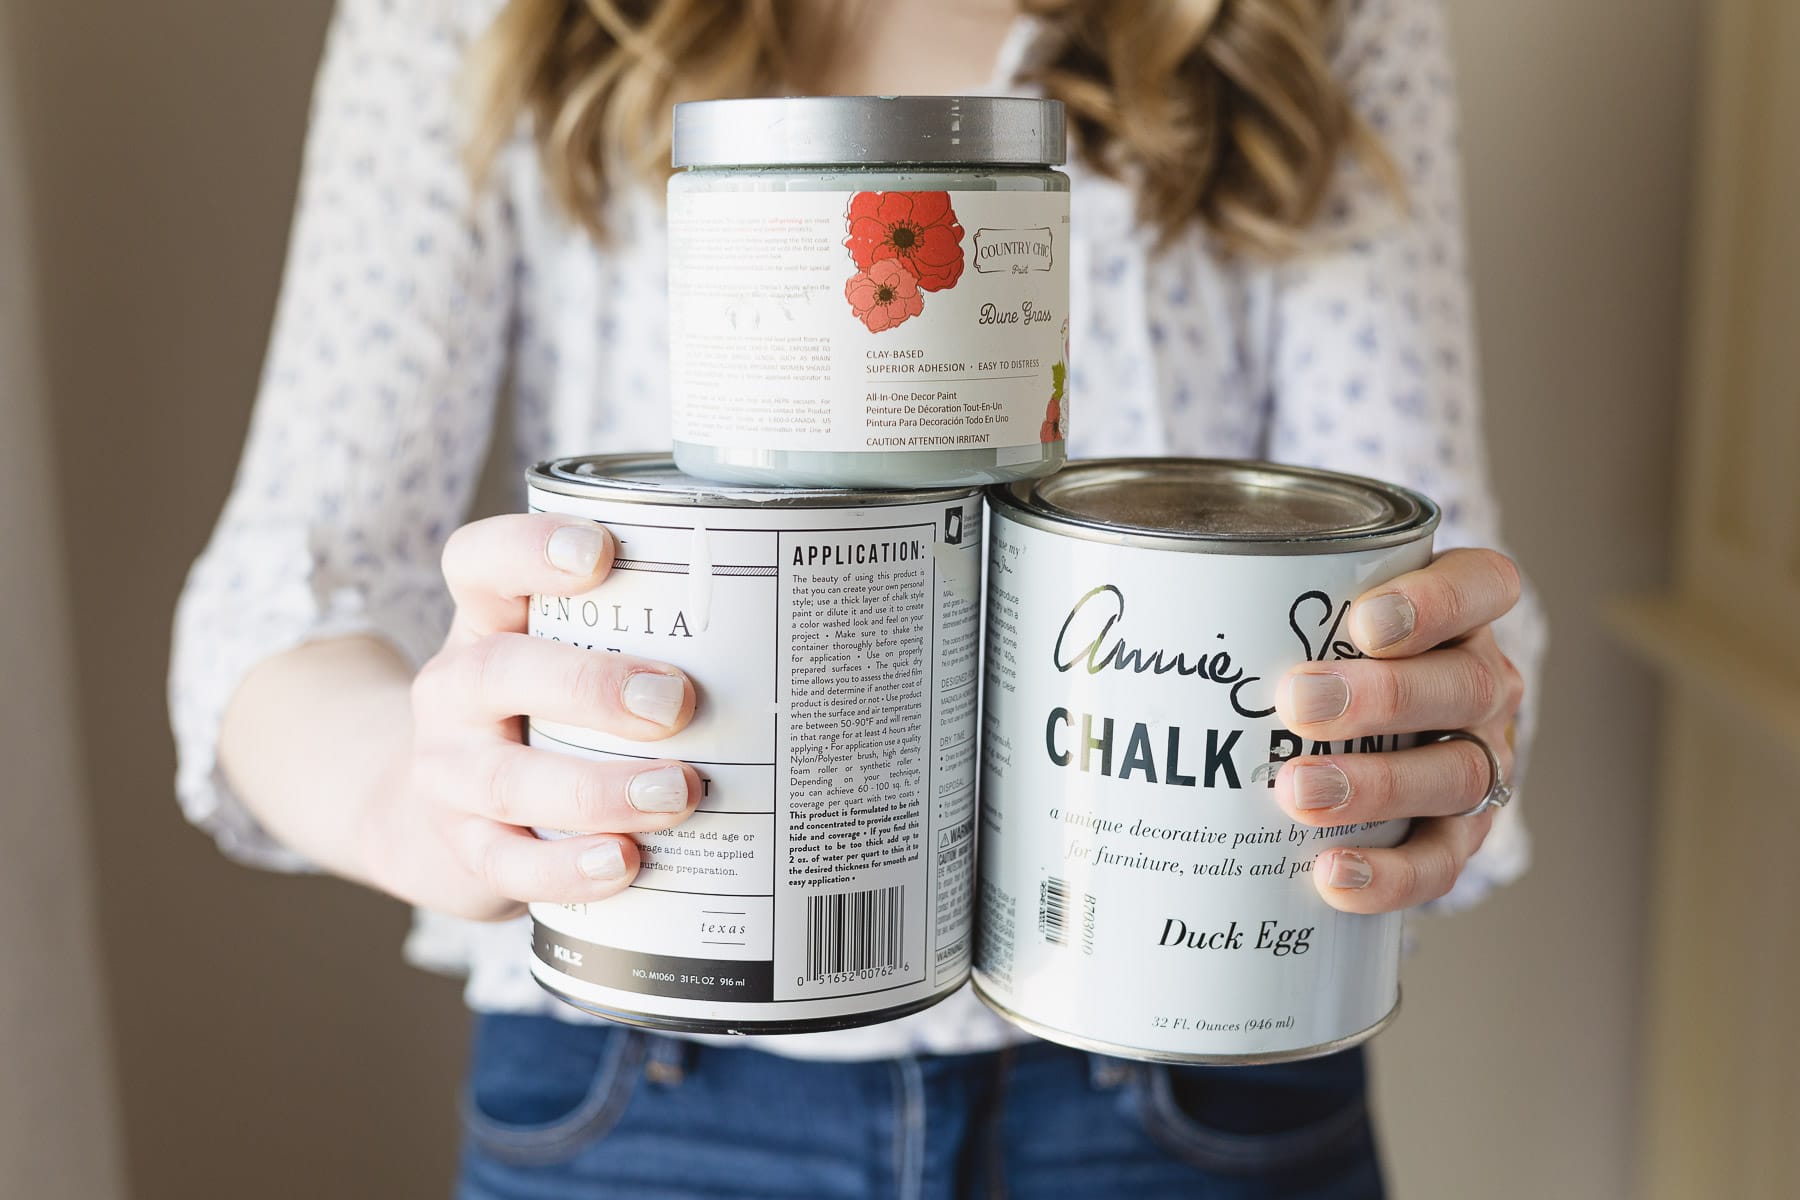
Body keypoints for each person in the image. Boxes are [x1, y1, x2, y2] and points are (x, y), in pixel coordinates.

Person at [169, 0, 1546, 1195]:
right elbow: (284, 589)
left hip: (1187, 1074)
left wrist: (1444, 724)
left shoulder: (1303, 17)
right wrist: (419, 798)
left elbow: (1415, 566)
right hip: (647, 1078)